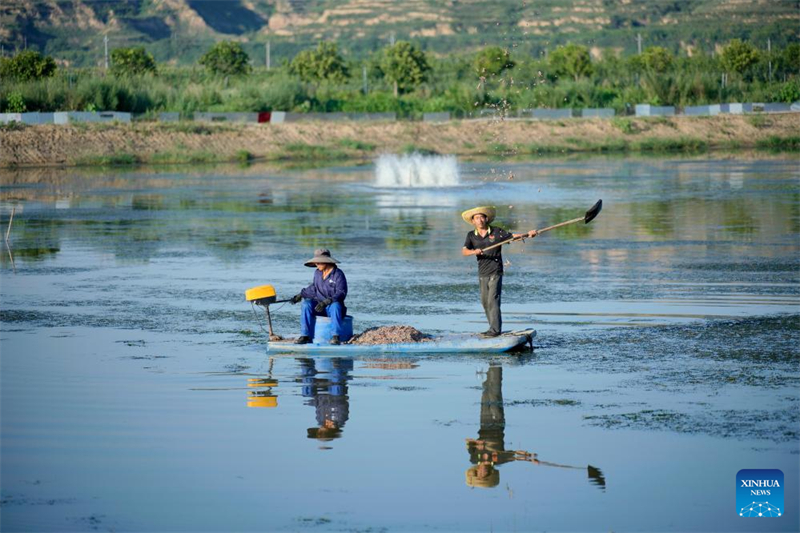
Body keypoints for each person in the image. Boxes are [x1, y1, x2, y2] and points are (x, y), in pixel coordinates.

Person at [461, 206, 537, 337]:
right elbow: (464, 251)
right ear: (473, 221)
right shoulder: (471, 235)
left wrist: (528, 234)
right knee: (485, 302)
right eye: (476, 218)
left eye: (481, 217)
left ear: (486, 219)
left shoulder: (496, 232)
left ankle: (495, 330)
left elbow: (513, 237)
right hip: (482, 272)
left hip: (496, 270)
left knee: (493, 300)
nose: (479, 220)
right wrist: (474, 251)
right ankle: (492, 328)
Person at [290, 248, 348, 345]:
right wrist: (300, 295)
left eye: (319, 262)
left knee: (336, 305)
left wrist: (327, 302)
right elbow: (314, 288)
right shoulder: (317, 273)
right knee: (306, 303)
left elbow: (341, 292)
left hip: (332, 308)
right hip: (319, 307)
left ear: (327, 261)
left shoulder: (338, 274)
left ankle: (335, 336)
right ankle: (305, 336)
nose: (316, 264)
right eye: (316, 262)